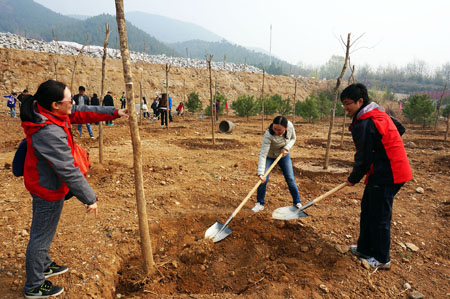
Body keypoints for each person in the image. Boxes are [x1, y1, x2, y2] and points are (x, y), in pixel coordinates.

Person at [20, 79, 127, 298]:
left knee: (44, 230)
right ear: (55, 105)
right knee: (41, 235)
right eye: (69, 101)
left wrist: (115, 111)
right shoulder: (48, 132)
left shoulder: (50, 112)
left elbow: (84, 111)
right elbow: (68, 170)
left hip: (45, 181)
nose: (74, 104)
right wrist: (90, 198)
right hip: (46, 188)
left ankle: (44, 264)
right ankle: (34, 285)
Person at [341, 83, 412, 270]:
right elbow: (399, 128)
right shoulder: (376, 113)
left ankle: (382, 259)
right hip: (381, 170)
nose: (346, 108)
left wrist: (353, 178)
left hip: (389, 173)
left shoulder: (365, 122)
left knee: (380, 215)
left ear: (360, 101)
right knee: (368, 208)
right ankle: (364, 248)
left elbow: (363, 158)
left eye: (348, 103)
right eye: (344, 104)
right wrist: (382, 147)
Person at [252, 115, 302, 212]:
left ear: (286, 128)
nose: (276, 131)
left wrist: (286, 148)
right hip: (269, 156)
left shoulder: (290, 126)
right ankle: (259, 203)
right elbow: (263, 154)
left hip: (283, 155)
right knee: (263, 180)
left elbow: (293, 139)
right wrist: (261, 173)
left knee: (290, 178)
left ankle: (297, 202)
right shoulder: (268, 134)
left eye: (279, 130)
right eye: (274, 128)